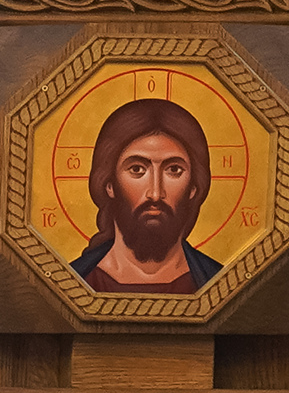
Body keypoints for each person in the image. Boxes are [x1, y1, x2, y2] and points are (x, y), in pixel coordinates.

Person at [69, 99, 223, 294]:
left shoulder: (222, 284)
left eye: (174, 170)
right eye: (137, 169)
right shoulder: (71, 284)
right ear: (109, 185)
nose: (155, 194)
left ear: (193, 187)